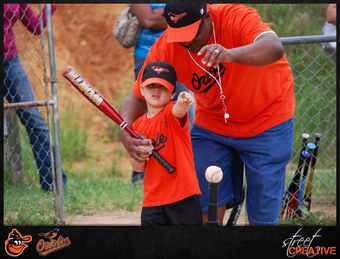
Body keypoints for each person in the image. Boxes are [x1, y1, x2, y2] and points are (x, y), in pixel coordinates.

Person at [119, 4, 295, 226]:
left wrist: (231, 54)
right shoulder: (167, 45)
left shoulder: (236, 16)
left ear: (208, 18)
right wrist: (126, 132)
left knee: (262, 218)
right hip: (212, 125)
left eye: (192, 34)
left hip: (267, 120)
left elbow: (273, 47)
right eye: (179, 35)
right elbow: (136, 97)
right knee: (203, 210)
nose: (187, 42)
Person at [130, 4, 195, 186]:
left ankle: (181, 166)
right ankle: (140, 173)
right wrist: (172, 16)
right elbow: (149, 20)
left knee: (179, 111)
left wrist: (162, 13)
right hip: (146, 56)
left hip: (177, 55)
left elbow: (189, 18)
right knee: (147, 117)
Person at [3, 4, 67, 191]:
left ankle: (54, 186)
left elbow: (35, 27)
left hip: (10, 62)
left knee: (35, 121)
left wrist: (50, 6)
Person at [130, 61, 202, 226]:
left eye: (162, 87)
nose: (156, 90)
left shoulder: (170, 112)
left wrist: (183, 102)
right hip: (152, 199)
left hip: (182, 194)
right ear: (141, 89)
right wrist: (140, 156)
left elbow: (179, 110)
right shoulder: (137, 126)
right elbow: (137, 167)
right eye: (151, 85)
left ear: (172, 93)